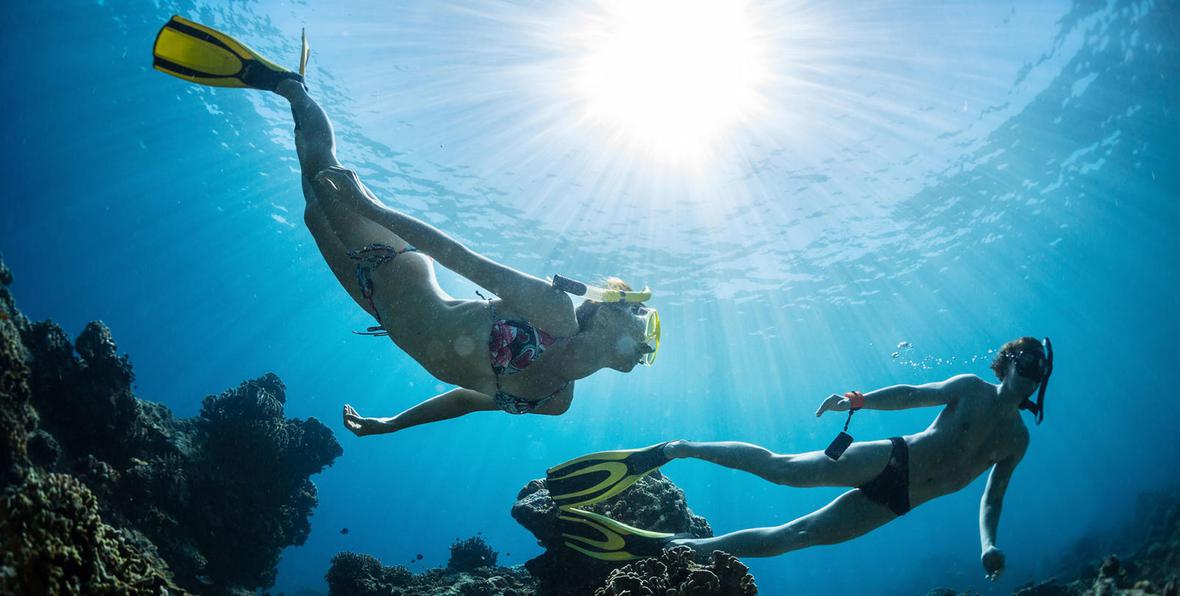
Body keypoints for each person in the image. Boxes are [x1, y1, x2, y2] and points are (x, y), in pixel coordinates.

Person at [151, 16, 660, 435]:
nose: (646, 343)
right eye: (642, 319)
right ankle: (291, 88)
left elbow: (465, 401)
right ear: (608, 311)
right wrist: (369, 209)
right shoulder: (554, 310)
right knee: (324, 176)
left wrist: (389, 424)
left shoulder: (556, 402)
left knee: (311, 207)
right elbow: (461, 258)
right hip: (394, 270)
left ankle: (297, 101)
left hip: (379, 307)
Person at [547, 337, 1053, 582]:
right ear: (1008, 362)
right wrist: (858, 400)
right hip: (891, 460)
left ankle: (679, 548)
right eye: (1027, 362)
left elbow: (993, 498)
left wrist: (989, 544)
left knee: (794, 537)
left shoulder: (1017, 440)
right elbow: (912, 394)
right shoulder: (971, 389)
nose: (1033, 374)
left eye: (1041, 369)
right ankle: (677, 449)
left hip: (901, 501)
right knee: (783, 470)